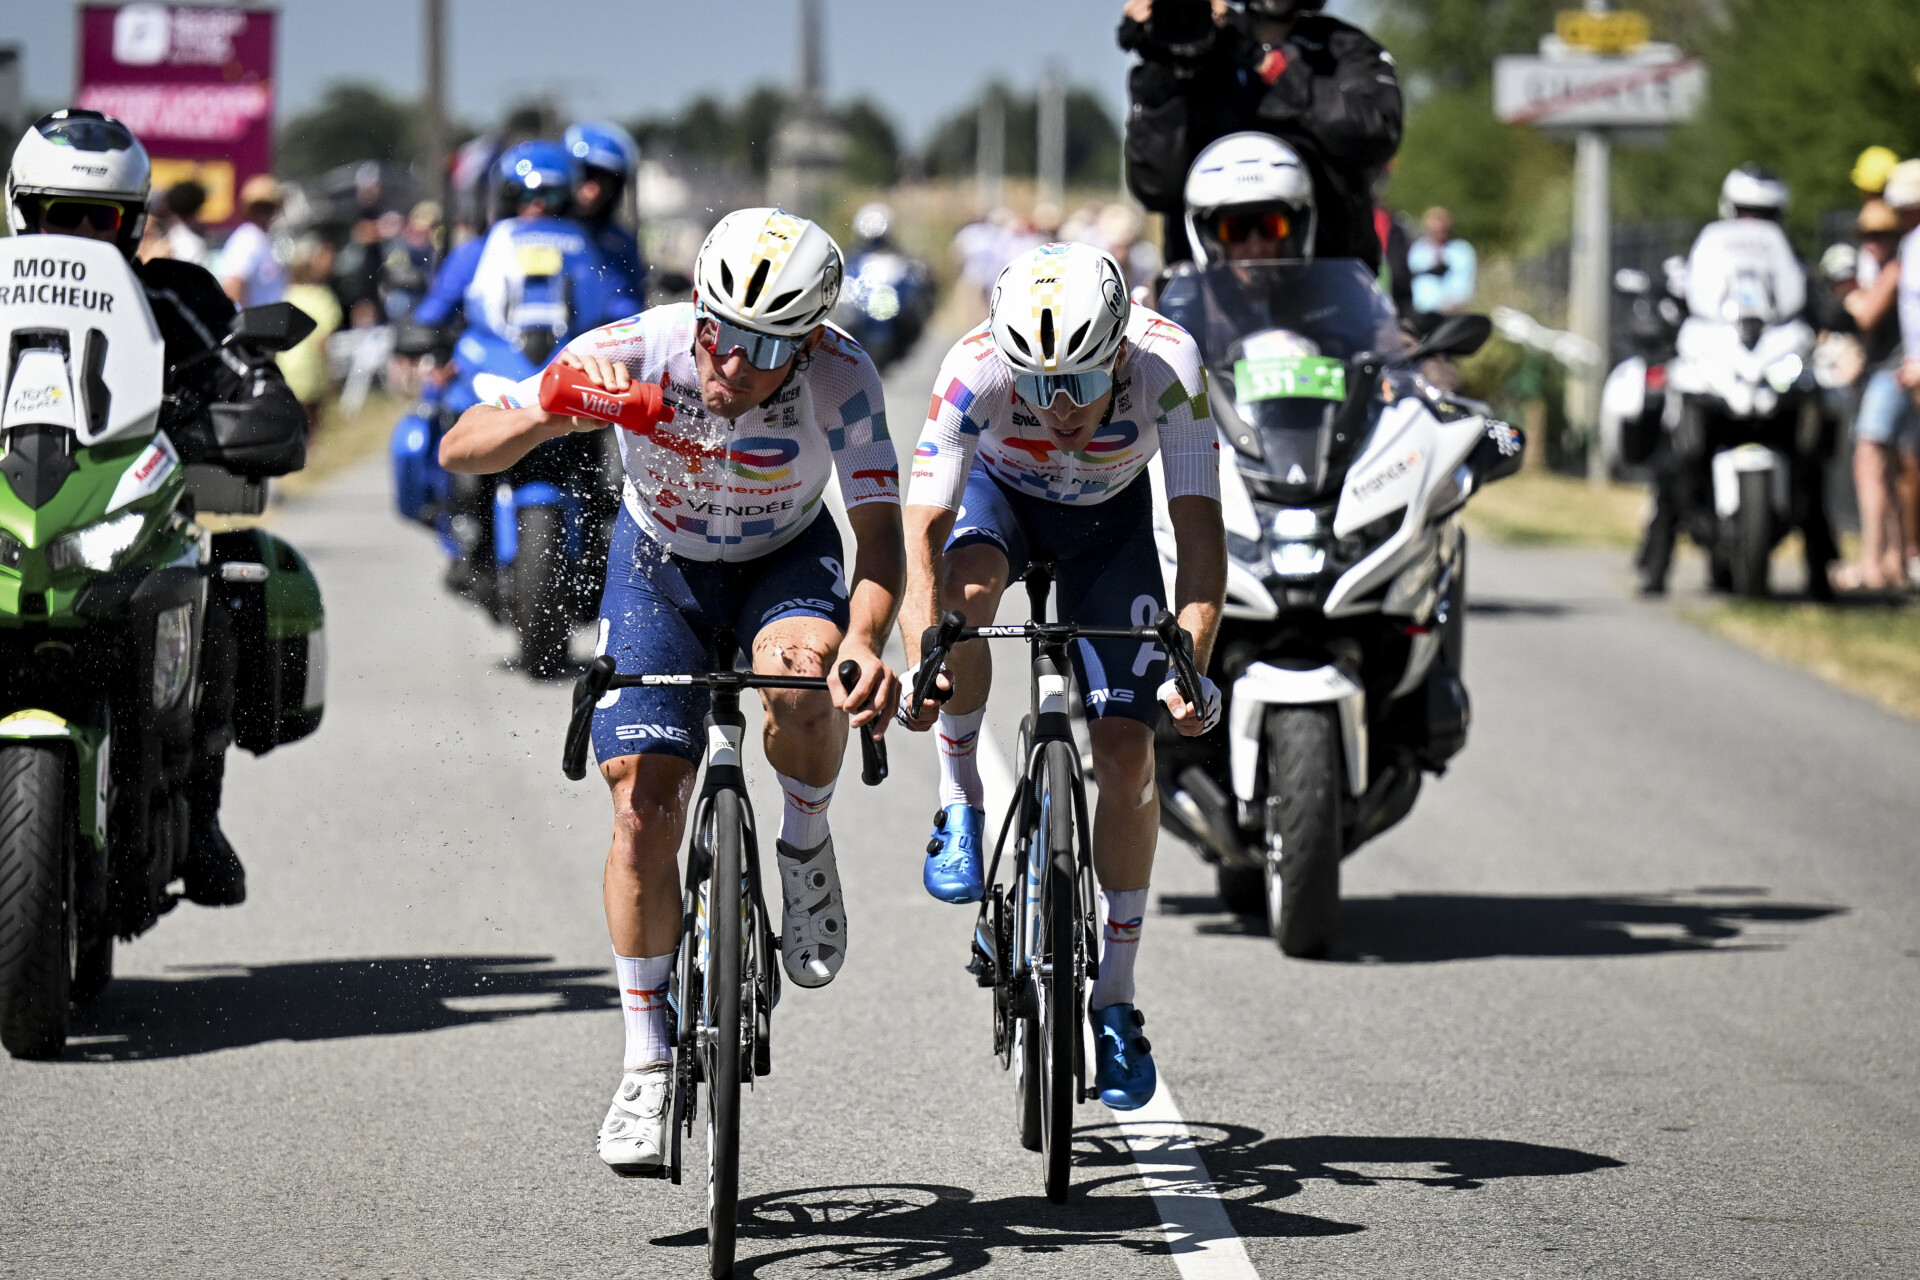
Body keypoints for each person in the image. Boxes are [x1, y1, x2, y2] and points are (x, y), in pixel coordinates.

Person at [436, 208, 904, 1175]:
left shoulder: (842, 374)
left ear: (807, 343)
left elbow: (881, 535)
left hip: (785, 559)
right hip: (659, 566)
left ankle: (805, 840)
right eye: (719, 332)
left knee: (802, 682)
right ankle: (647, 1061)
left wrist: (864, 640)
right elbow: (462, 448)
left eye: (764, 347)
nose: (731, 361)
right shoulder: (635, 348)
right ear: (696, 308)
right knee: (643, 810)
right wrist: (557, 408)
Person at [899, 241, 1225, 1110]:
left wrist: (1192, 662)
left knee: (1126, 754)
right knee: (962, 604)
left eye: (1080, 381)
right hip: (998, 506)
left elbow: (1199, 533)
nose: (1061, 408)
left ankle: (1115, 996)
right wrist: (924, 652)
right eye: (1038, 387)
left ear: (1120, 352)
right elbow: (920, 530)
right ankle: (961, 798)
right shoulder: (974, 367)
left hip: (1110, 531)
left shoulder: (1170, 362)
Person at [6, 108, 310, 905]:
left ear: (132, 223)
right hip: (16, 505)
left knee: (221, 586)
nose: (79, 234)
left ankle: (199, 811)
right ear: (23, 210)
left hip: (127, 511)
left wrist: (233, 416)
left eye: (99, 219)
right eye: (60, 214)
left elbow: (260, 391)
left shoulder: (176, 295)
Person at [1637, 165, 1836, 597]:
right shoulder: (1704, 257)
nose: (1754, 223)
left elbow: (1820, 304)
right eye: (1747, 211)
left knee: (1811, 462)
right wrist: (1656, 318)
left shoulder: (1793, 263)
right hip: (1718, 371)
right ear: (1730, 208)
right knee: (1674, 462)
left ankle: (1821, 569)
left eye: (1764, 213)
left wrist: (1836, 316)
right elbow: (1671, 295)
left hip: (1772, 372)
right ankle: (1655, 563)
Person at [1117, 0, 1402, 267]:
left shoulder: (1344, 48)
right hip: (1210, 283)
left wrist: (1271, 65)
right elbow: (1155, 187)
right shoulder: (1201, 52)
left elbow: (1376, 135)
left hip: (1326, 274)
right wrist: (1160, 63)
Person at [1830, 197, 1917, 591]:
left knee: (1868, 459)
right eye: (1867, 235)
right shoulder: (1885, 271)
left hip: (1892, 376)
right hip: (1889, 375)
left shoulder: (1896, 269)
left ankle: (1872, 564)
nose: (1872, 242)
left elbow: (1864, 315)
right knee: (1893, 469)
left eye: (1880, 235)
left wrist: (1843, 301)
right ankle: (1894, 560)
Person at [564, 121, 648, 302]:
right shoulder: (517, 234)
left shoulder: (619, 244)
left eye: (605, 181)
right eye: (586, 176)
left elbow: (626, 303)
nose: (594, 191)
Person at [217, 173, 287, 308]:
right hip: (255, 320)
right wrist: (247, 320)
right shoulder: (247, 239)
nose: (263, 213)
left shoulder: (263, 239)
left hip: (267, 319)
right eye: (259, 207)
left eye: (269, 208)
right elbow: (232, 288)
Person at [1407, 206, 1476, 317]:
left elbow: (1466, 280)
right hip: (1422, 313)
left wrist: (1455, 301)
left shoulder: (1461, 250)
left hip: (1453, 312)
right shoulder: (1417, 251)